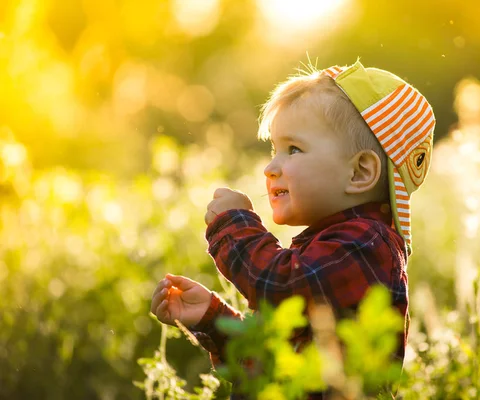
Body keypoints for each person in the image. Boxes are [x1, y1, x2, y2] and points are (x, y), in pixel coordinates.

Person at [150, 60, 435, 394]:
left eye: (293, 149)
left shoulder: (365, 244)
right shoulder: (330, 245)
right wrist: (211, 318)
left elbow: (278, 286)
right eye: (274, 149)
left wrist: (235, 225)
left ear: (359, 173)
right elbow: (274, 362)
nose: (271, 167)